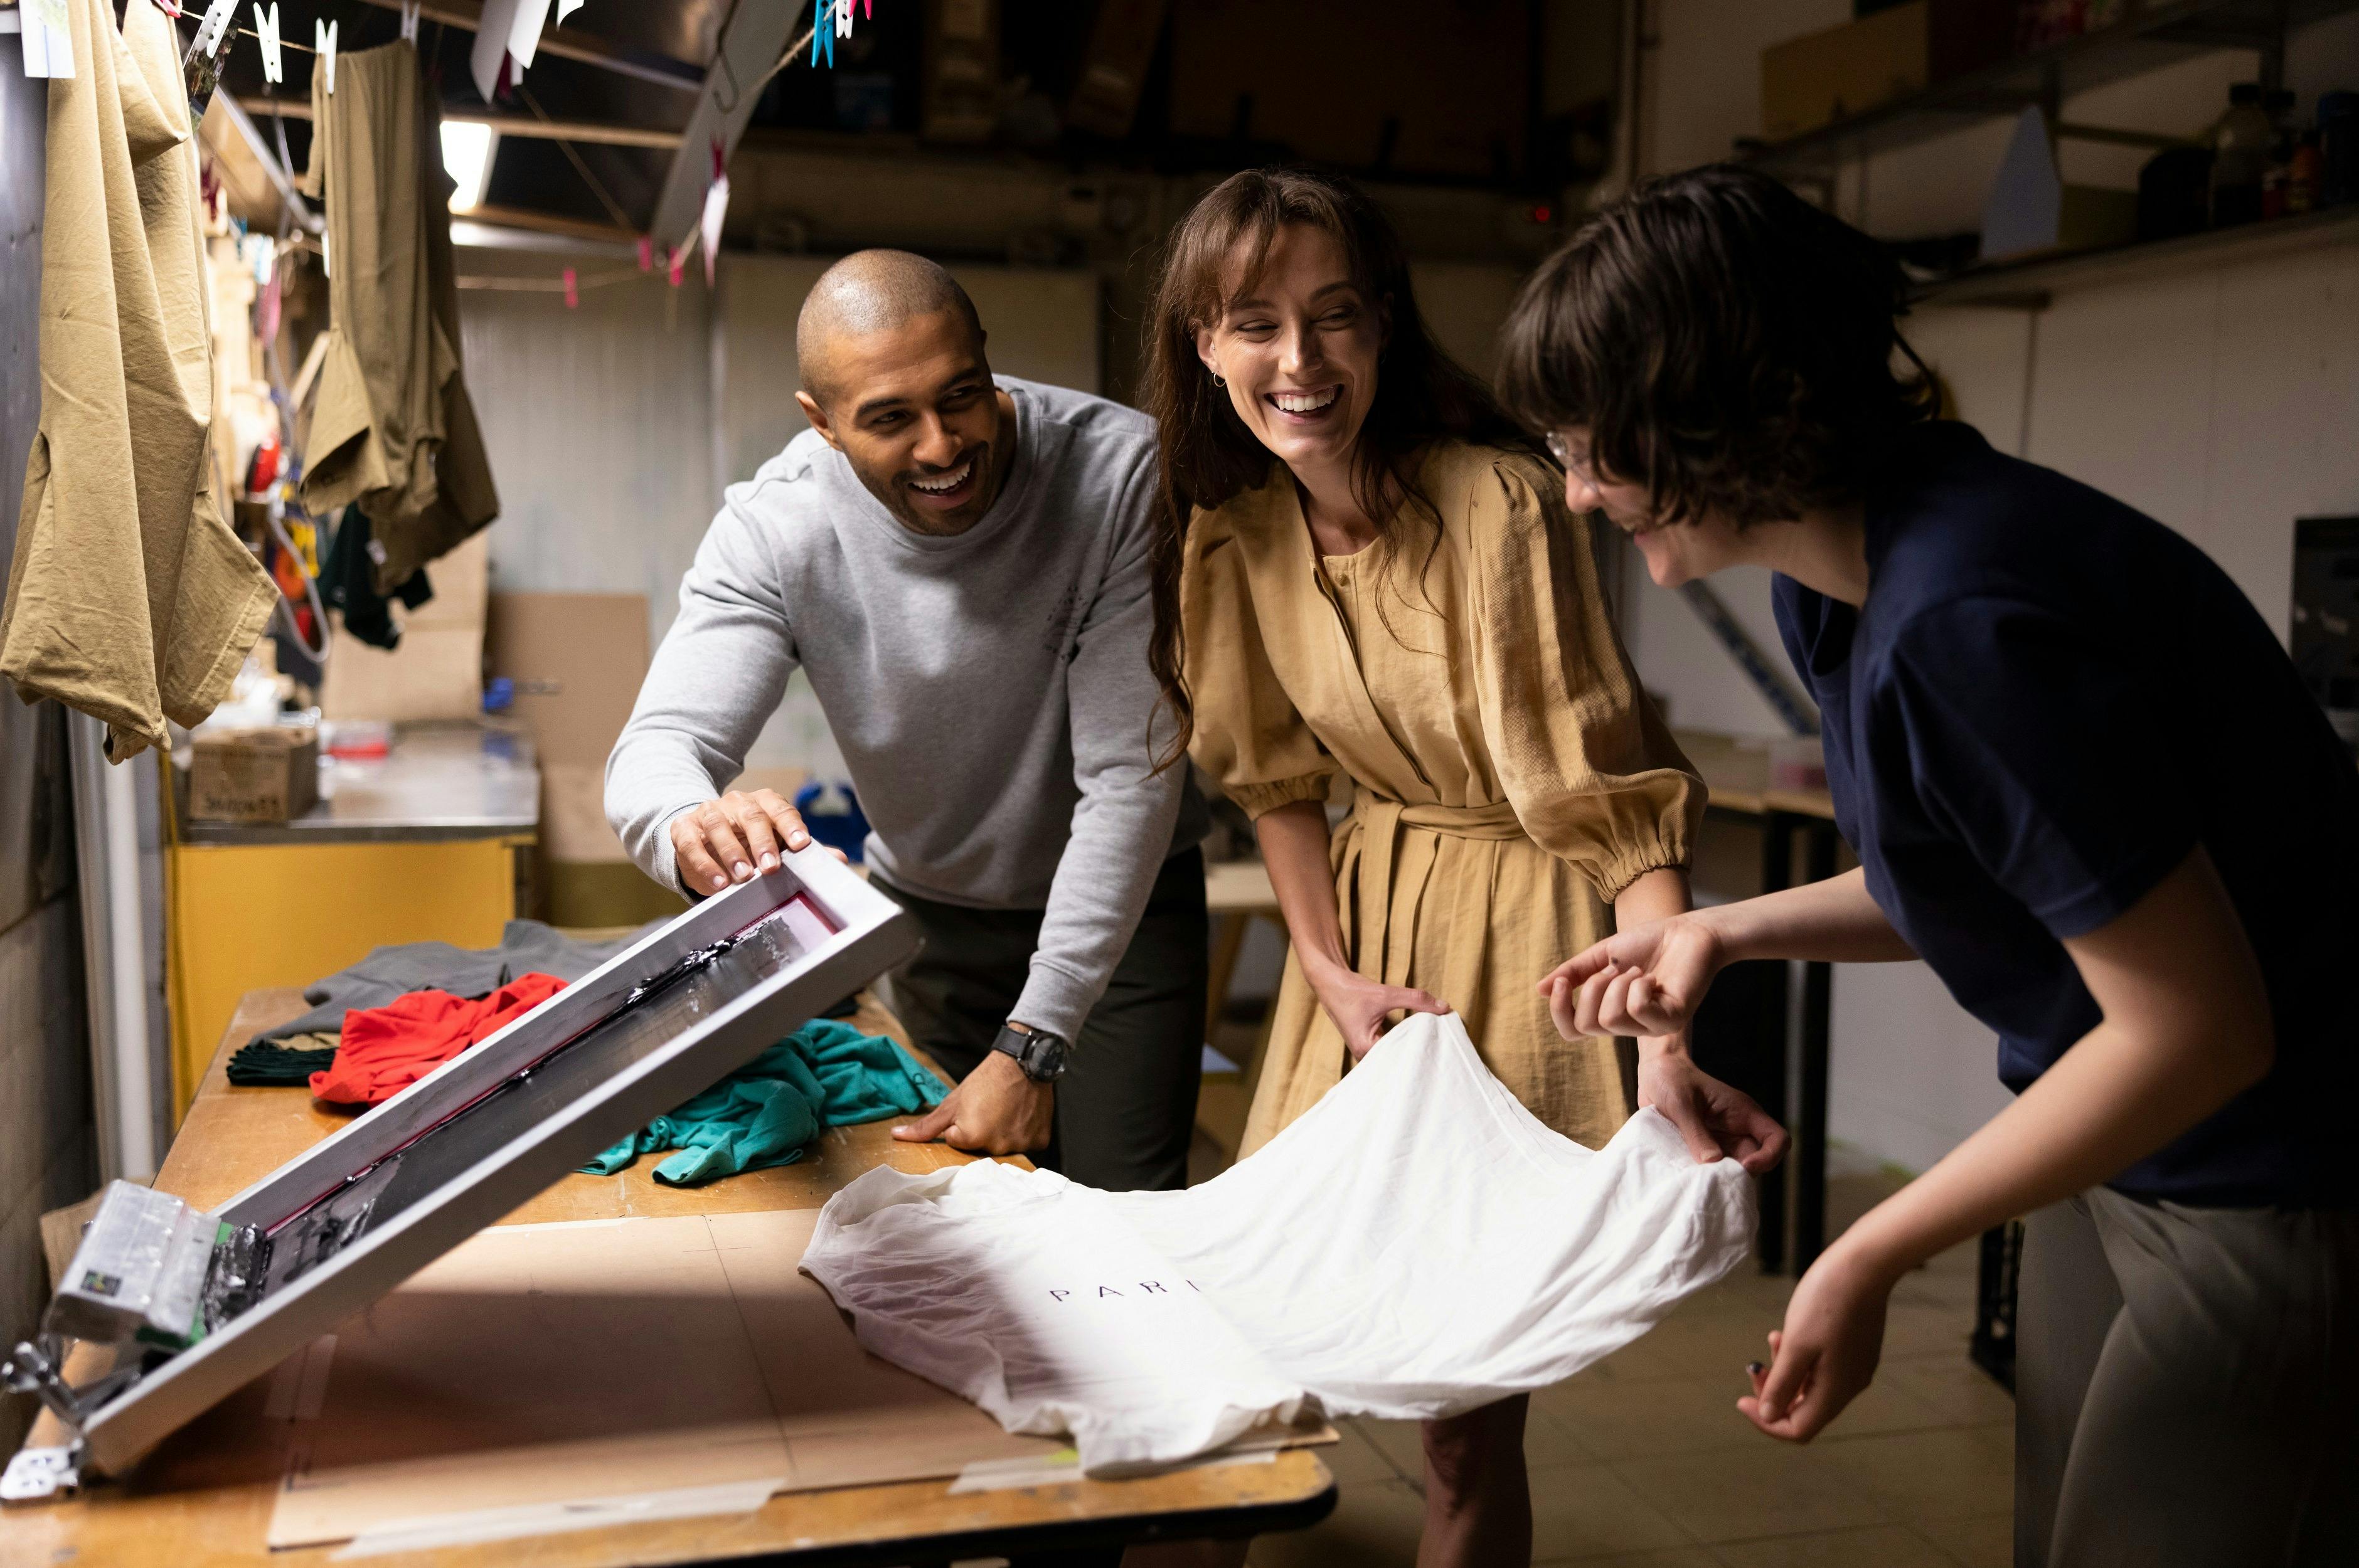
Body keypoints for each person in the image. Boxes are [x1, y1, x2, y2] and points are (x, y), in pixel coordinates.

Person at [1500, 164, 2359, 1567]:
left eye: (1596, 449)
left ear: (1719, 420)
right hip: (2134, 1157)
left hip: (2274, 1170)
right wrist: (1724, 931)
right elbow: (1997, 869)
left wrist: (1868, 1243)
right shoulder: (1840, 570)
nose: (1582, 495)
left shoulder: (1957, 617)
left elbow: (2200, 1026)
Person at [1139, 167, 1786, 1568]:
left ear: (1383, 328)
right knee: (1247, 1346)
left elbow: (1609, 799)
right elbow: (1279, 790)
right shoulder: (1233, 534)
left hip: (1525, 935)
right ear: (1202, 343)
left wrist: (1662, 1042)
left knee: (1461, 1409)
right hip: (1360, 948)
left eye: (1334, 316)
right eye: (1253, 323)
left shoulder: (1498, 503)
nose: (1297, 362)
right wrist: (1326, 969)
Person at [607, 250, 1210, 1191]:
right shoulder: (779, 528)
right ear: (823, 424)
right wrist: (691, 823)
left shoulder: (1118, 474)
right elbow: (657, 751)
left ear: (985, 358)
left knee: (1128, 1220)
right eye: (890, 419)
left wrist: (1036, 1042)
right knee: (959, 1220)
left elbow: (1127, 783)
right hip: (932, 918)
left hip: (1125, 919)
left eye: (961, 396)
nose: (941, 446)